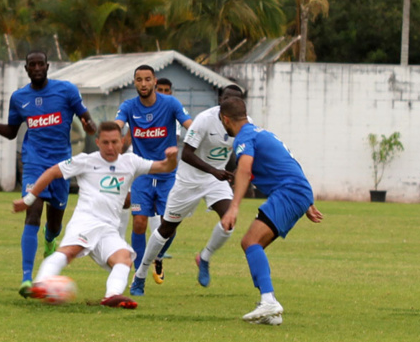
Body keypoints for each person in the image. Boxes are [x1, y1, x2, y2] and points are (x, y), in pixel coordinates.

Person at [13, 122, 178, 309]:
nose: (110, 147)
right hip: (85, 222)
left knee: (124, 258)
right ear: (97, 142)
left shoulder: (131, 162)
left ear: (122, 141)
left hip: (108, 229)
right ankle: (41, 283)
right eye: (105, 142)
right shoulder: (86, 161)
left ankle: (113, 296)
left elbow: (165, 167)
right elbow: (52, 172)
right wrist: (28, 199)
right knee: (69, 251)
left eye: (114, 142)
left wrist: (172, 158)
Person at [0, 50, 97, 296]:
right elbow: (12, 132)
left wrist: (90, 126)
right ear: (26, 68)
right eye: (31, 64)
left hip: (62, 167)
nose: (36, 68)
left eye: (40, 64)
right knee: (31, 213)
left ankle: (50, 239)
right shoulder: (19, 97)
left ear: (47, 66)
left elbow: (89, 122)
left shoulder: (66, 90)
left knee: (54, 224)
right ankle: (27, 279)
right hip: (33, 162)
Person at [130, 85, 248, 296]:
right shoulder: (204, 119)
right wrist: (214, 170)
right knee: (167, 229)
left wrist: (235, 171)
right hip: (189, 180)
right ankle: (140, 274)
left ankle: (204, 257)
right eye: (227, 101)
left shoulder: (246, 124)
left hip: (216, 179)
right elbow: (187, 155)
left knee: (230, 220)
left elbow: (246, 153)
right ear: (221, 103)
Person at [219, 97, 323, 325]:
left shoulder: (245, 138)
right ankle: (270, 310)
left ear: (225, 119)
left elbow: (244, 171)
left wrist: (233, 207)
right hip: (296, 191)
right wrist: (307, 199)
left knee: (250, 242)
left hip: (289, 191)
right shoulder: (260, 133)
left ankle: (269, 301)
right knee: (253, 244)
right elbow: (290, 161)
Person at [113, 66, 192, 288]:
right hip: (142, 173)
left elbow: (190, 127)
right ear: (135, 83)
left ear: (154, 81)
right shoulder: (129, 106)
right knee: (139, 222)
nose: (144, 83)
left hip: (168, 173)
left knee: (171, 225)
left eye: (148, 79)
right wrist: (110, 136)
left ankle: (155, 256)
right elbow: (117, 126)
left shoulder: (171, 104)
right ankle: (140, 275)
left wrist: (197, 142)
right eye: (139, 80)